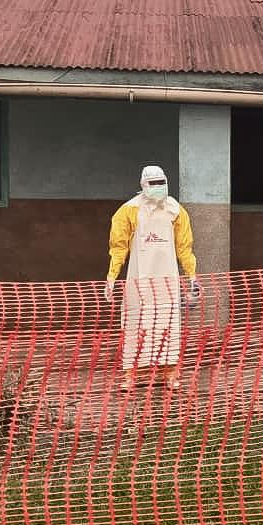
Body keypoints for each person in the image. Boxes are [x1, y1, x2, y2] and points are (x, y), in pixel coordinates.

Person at [105, 165, 200, 392]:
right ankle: (130, 376)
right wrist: (111, 277)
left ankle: (171, 374)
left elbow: (184, 248)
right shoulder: (128, 211)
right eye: (153, 183)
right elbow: (118, 247)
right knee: (135, 326)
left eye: (161, 183)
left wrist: (192, 277)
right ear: (142, 184)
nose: (158, 188)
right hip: (138, 282)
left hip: (167, 281)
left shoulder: (176, 210)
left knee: (169, 326)